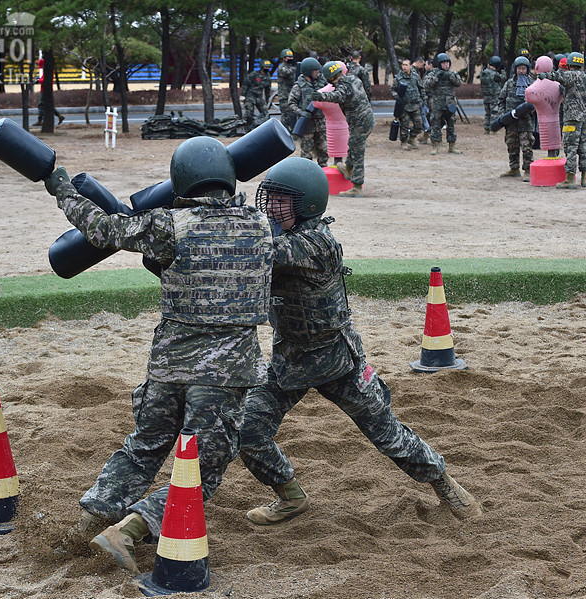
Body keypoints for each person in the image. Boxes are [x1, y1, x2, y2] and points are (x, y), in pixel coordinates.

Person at [46, 136, 274, 573]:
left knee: (143, 449)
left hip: (169, 368)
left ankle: (82, 529)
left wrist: (61, 188)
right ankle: (128, 531)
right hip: (224, 375)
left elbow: (101, 228)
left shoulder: (168, 226)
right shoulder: (261, 226)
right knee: (201, 473)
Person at [240, 156, 482, 526]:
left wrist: (225, 229)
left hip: (337, 361)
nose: (271, 206)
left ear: (308, 204)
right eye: (269, 197)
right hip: (289, 359)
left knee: (388, 435)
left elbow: (263, 251)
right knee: (249, 431)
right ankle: (290, 496)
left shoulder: (317, 243)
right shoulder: (280, 235)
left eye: (281, 199)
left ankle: (443, 482)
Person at [311, 60, 374, 197]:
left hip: (359, 123)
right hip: (368, 120)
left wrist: (320, 96)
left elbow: (338, 96)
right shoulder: (353, 79)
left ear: (330, 78)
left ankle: (357, 186)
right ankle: (348, 168)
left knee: (358, 152)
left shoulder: (342, 88)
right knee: (353, 145)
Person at [540, 52, 586, 188]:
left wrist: (545, 75)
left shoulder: (571, 75)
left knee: (571, 147)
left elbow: (559, 76)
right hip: (584, 117)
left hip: (572, 117)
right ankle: (585, 177)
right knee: (583, 147)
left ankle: (569, 178)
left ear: (569, 64)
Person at [497, 56, 535, 180]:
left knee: (526, 146)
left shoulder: (532, 84)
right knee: (511, 145)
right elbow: (501, 100)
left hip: (525, 121)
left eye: (523, 68)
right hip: (510, 121)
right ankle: (514, 168)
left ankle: (528, 170)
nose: (521, 71)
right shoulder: (509, 83)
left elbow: (537, 102)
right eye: (519, 68)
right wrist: (502, 114)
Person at [288, 56, 328, 166]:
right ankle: (308, 172)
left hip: (321, 124)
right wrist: (301, 112)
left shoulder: (323, 83)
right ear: (307, 72)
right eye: (315, 70)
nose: (317, 72)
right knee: (306, 153)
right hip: (307, 125)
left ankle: (324, 170)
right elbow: (291, 103)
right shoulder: (299, 86)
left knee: (324, 150)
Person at [423, 52, 463, 155]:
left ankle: (452, 146)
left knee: (451, 125)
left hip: (450, 103)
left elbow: (459, 83)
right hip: (437, 103)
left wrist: (451, 77)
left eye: (447, 63)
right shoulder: (433, 73)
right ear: (439, 64)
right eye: (444, 63)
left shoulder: (452, 73)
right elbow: (426, 85)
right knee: (435, 124)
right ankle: (435, 146)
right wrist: (437, 77)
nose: (446, 65)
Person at [390, 58, 426, 150]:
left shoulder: (415, 76)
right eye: (403, 65)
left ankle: (412, 138)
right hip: (404, 106)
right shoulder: (398, 78)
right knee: (404, 125)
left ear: (410, 66)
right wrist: (397, 96)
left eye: (406, 65)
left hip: (416, 105)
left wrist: (423, 100)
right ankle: (403, 142)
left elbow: (421, 88)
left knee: (419, 125)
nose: (404, 67)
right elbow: (392, 90)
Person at [33, 58, 64, 127]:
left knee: (41, 105)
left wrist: (38, 81)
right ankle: (59, 115)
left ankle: (40, 120)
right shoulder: (47, 70)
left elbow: (45, 79)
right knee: (47, 105)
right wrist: (39, 79)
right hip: (44, 89)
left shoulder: (48, 70)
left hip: (45, 90)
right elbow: (43, 78)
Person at [242, 60, 272, 131]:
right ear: (262, 67)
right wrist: (242, 95)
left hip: (259, 97)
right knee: (249, 113)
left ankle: (265, 128)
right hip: (250, 96)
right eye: (265, 67)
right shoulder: (254, 75)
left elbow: (268, 89)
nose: (267, 68)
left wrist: (267, 99)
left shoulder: (268, 77)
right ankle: (245, 128)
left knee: (265, 113)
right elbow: (246, 84)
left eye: (268, 67)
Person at [480, 56, 506, 134]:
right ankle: (493, 129)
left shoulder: (483, 73)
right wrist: (503, 70)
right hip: (494, 96)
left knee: (487, 113)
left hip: (486, 96)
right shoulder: (494, 74)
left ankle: (486, 129)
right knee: (494, 113)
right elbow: (503, 78)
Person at [276, 49, 297, 131]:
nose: (290, 58)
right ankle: (284, 133)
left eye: (291, 57)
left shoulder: (291, 67)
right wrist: (297, 68)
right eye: (288, 57)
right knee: (286, 116)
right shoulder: (282, 67)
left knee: (292, 115)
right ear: (284, 58)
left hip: (291, 95)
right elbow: (286, 72)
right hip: (284, 96)